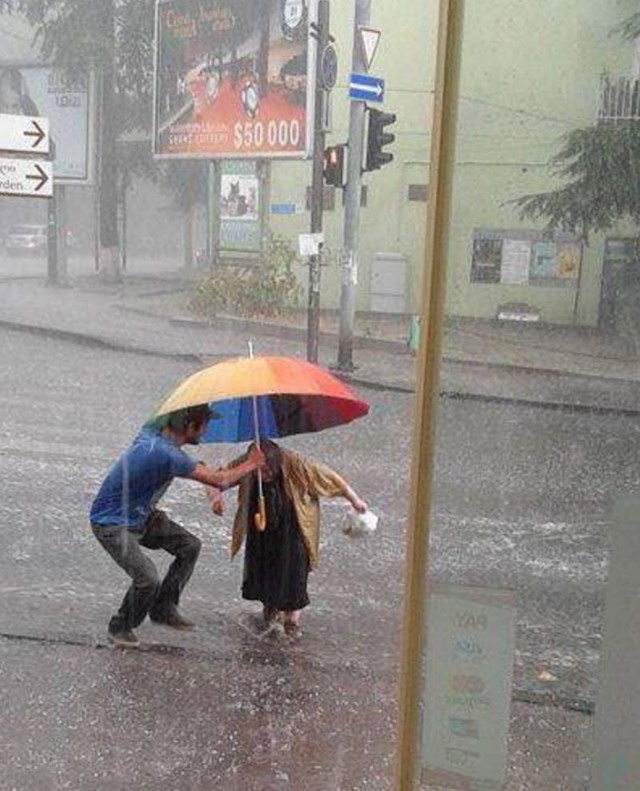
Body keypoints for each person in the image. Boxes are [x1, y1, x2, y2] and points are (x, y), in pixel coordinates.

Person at [90, 405, 266, 648]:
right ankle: (120, 626)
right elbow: (221, 480)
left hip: (142, 515)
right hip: (111, 523)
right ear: (189, 426)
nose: (204, 433)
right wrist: (252, 463)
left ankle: (163, 607)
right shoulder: (168, 455)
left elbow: (206, 472)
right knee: (148, 579)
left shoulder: (152, 432)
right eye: (203, 426)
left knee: (189, 546)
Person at [209, 440, 367, 637]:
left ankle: (292, 628)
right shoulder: (247, 463)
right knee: (266, 585)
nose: (262, 476)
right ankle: (269, 626)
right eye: (257, 471)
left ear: (276, 463)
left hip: (293, 527)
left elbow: (333, 480)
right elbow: (215, 479)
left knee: (294, 580)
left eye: (266, 472)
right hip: (262, 528)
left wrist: (355, 500)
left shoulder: (297, 464)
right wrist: (216, 499)